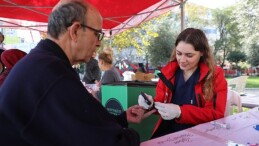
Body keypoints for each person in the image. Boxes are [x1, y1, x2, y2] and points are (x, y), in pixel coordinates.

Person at [0, 1, 147, 146]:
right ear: (75, 31)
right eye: (97, 34)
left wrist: (121, 119)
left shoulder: (41, 62)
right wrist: (134, 136)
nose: (98, 43)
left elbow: (79, 123)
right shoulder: (54, 73)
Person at [138, 28, 227, 139]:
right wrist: (151, 104)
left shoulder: (214, 75)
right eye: (179, 53)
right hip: (167, 134)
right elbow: (161, 103)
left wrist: (180, 112)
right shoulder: (168, 73)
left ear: (202, 53)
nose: (182, 60)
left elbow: (216, 115)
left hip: (199, 136)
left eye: (189, 55)